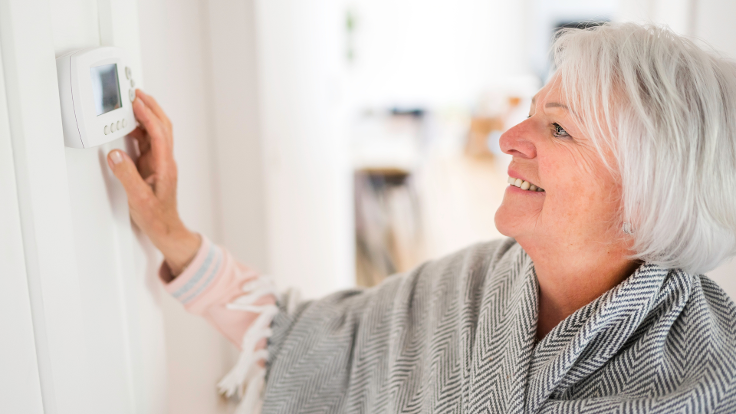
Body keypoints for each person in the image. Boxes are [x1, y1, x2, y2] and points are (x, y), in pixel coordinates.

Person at [106, 22, 736, 413]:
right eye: (530, 110)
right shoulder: (465, 289)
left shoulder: (712, 380)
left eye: (558, 127)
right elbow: (303, 339)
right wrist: (171, 231)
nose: (509, 138)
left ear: (647, 199)